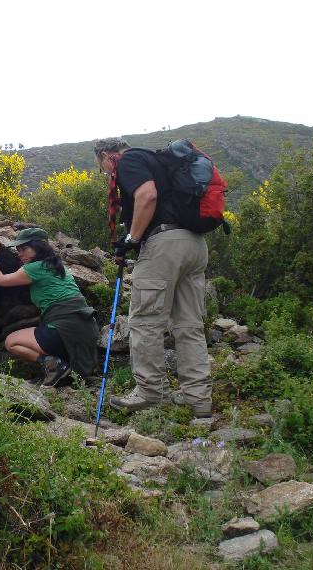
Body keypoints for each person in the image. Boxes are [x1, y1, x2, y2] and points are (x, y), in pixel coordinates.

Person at [94, 137, 212, 417]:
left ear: (106, 154)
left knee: (145, 321)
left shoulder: (129, 161)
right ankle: (198, 399)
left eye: (102, 166)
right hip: (194, 244)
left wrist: (131, 239)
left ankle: (149, 391)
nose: (106, 172)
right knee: (189, 325)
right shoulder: (156, 161)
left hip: (163, 245)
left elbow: (147, 195)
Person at [0, 227, 99, 386]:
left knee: (11, 342)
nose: (20, 253)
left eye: (24, 249)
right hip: (86, 329)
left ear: (39, 247)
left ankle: (56, 365)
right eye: (18, 250)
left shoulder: (34, 268)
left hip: (64, 330)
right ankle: (61, 372)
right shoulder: (60, 267)